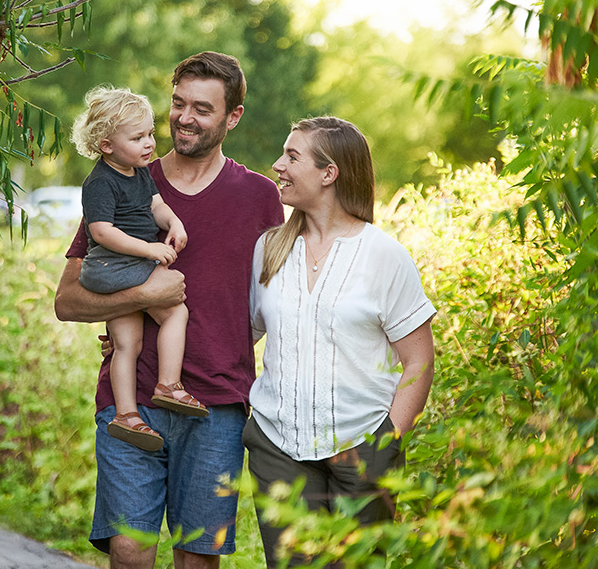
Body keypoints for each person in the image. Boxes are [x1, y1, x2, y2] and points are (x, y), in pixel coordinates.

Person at [54, 52, 283, 568]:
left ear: (233, 117)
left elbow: (281, 300)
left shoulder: (259, 198)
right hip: (130, 400)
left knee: (197, 559)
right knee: (130, 549)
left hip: (218, 406)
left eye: (202, 108)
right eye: (178, 103)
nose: (184, 117)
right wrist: (141, 298)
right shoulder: (124, 180)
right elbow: (68, 300)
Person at [244, 116, 437, 568]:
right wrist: (138, 340)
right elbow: (240, 336)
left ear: (329, 173)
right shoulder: (269, 248)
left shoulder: (383, 255)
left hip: (362, 448)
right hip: (278, 444)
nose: (278, 165)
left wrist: (388, 438)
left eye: (292, 156)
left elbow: (419, 360)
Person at [70, 86, 207, 453]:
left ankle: (127, 415)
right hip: (111, 266)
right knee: (176, 310)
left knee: (127, 344)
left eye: (149, 134)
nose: (149, 144)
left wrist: (174, 222)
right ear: (105, 145)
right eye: (137, 138)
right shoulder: (100, 182)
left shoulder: (138, 171)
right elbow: (100, 231)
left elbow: (157, 205)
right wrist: (149, 248)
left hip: (122, 268)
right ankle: (168, 383)